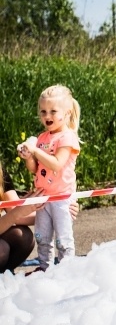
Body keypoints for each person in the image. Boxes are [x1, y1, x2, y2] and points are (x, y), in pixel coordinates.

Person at [17, 85, 81, 271]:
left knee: (63, 238)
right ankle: (45, 268)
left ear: (67, 112)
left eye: (53, 111)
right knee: (42, 237)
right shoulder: (42, 137)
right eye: (43, 111)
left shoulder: (68, 137)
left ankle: (66, 270)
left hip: (61, 198)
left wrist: (35, 150)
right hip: (43, 196)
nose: (47, 116)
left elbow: (57, 164)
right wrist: (29, 157)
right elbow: (35, 169)